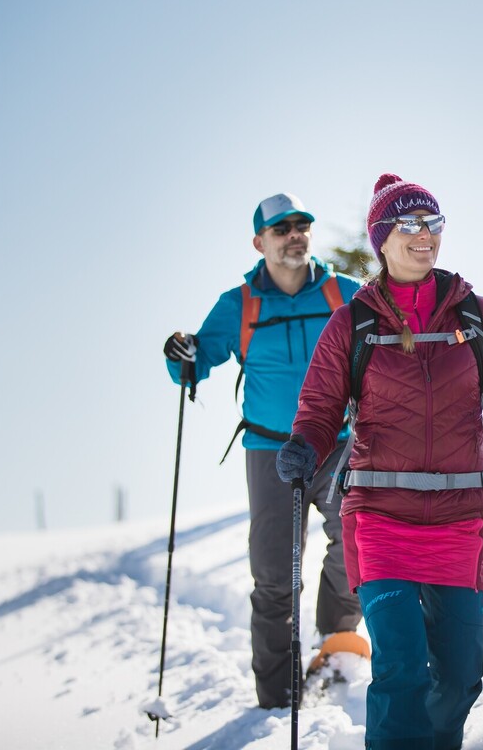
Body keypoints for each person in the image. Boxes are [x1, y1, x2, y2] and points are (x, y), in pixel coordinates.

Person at [275, 173, 483, 749]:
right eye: (408, 225)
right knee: (401, 668)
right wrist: (303, 448)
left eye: (432, 224)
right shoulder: (353, 323)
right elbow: (317, 411)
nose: (423, 236)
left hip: (460, 521)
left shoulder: (475, 316)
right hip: (380, 517)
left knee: (460, 678)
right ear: (382, 238)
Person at [162, 192, 367, 710]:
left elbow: (391, 341)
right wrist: (179, 353)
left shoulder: (344, 294)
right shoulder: (239, 304)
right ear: (260, 242)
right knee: (275, 573)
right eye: (282, 229)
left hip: (341, 442)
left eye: (302, 225)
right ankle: (278, 696)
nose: (294, 234)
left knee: (357, 538)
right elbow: (196, 361)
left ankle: (337, 641)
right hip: (270, 450)